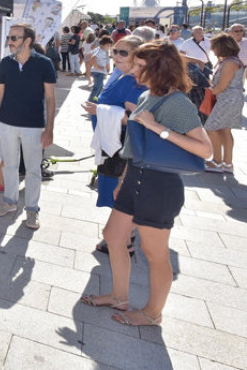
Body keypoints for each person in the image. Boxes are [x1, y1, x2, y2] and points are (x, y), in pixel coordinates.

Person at [80, 42, 211, 327]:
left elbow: (205, 150)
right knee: (114, 236)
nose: (135, 70)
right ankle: (119, 295)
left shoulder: (176, 102)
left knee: (154, 253)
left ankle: (153, 313)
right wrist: (123, 179)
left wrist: (157, 127)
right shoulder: (148, 96)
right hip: (135, 179)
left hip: (159, 187)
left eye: (141, 66)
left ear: (158, 68)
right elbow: (134, 146)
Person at [82, 35, 147, 255]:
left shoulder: (136, 81)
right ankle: (120, 236)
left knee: (121, 193)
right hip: (113, 144)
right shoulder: (124, 76)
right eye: (115, 51)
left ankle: (124, 240)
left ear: (137, 56)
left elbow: (136, 117)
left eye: (123, 52)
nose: (116, 55)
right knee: (116, 192)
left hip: (122, 148)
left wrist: (98, 110)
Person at [0, 23, 57, 230]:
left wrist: (49, 128)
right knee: (9, 165)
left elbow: (51, 98)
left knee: (33, 170)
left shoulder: (44, 64)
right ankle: (9, 202)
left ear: (28, 41)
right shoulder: (6, 63)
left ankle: (32, 210)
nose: (9, 42)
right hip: (6, 123)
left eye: (14, 38)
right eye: (9, 37)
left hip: (33, 126)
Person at [204, 33, 245, 173]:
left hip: (227, 99)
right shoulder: (233, 61)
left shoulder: (229, 63)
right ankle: (227, 164)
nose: (213, 50)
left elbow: (221, 87)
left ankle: (216, 162)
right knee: (225, 130)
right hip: (232, 99)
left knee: (211, 128)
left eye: (214, 47)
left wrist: (208, 91)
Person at [88, 36, 114, 102]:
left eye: (110, 45)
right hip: (98, 72)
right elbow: (93, 58)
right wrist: (98, 67)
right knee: (97, 87)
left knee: (100, 87)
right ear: (102, 44)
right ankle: (91, 101)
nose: (109, 47)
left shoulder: (99, 49)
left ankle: (95, 99)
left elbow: (89, 54)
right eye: (107, 45)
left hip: (99, 72)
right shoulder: (101, 51)